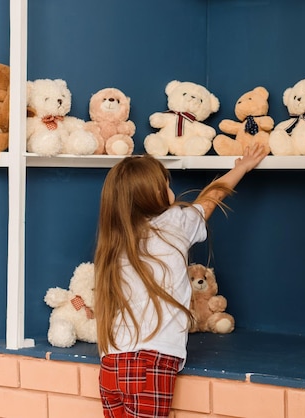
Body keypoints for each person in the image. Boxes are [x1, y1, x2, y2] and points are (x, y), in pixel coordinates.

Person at [94, 144, 267, 418]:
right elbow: (211, 199)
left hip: (111, 363)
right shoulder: (174, 223)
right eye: (166, 184)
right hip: (151, 362)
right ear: (156, 194)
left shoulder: (115, 241)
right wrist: (241, 167)